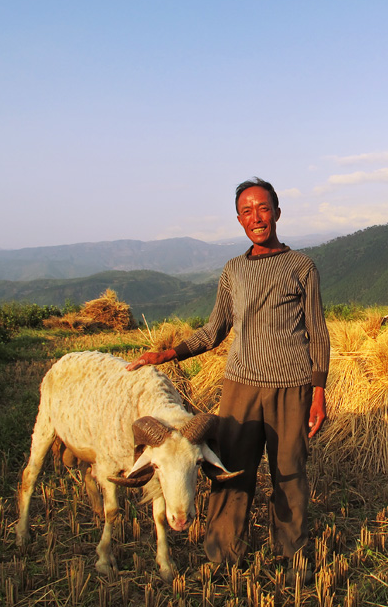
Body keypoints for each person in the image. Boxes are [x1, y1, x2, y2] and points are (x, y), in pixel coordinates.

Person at [127, 177, 330, 578]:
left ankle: (291, 556)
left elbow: (318, 333)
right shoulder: (234, 270)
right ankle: (222, 553)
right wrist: (168, 352)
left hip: (291, 387)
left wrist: (318, 391)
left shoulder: (301, 267)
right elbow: (214, 329)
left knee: (289, 470)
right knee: (231, 470)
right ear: (239, 219)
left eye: (263, 208)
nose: (257, 217)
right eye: (247, 211)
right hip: (240, 386)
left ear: (277, 212)